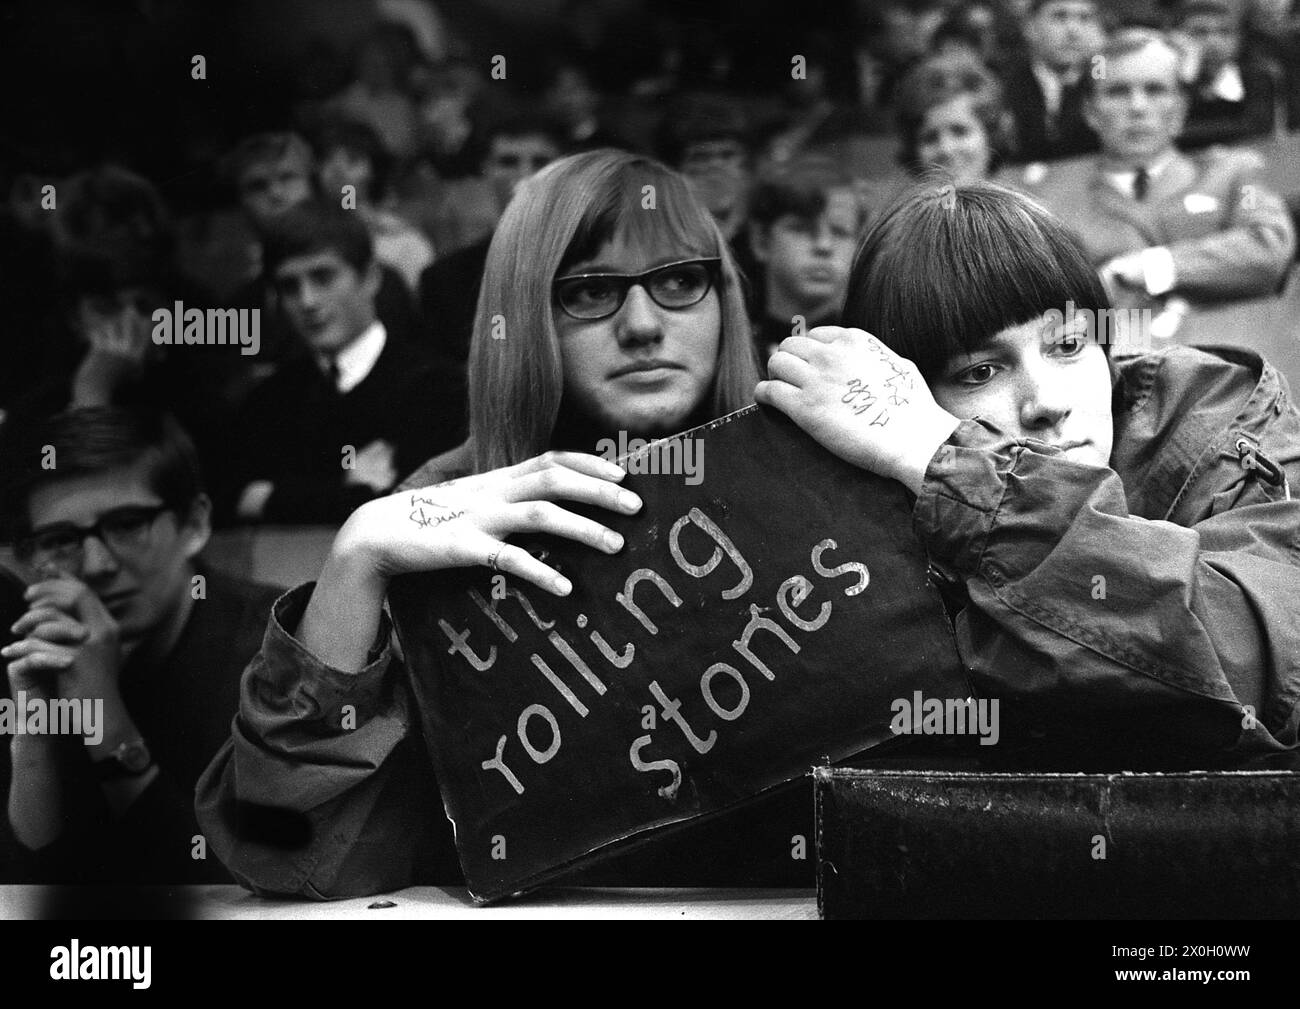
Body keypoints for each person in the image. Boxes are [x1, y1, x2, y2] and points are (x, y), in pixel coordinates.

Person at [196, 149, 763, 897]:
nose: (643, 325)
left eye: (681, 281)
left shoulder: (804, 469)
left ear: (723, 299)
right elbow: (287, 851)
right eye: (590, 290)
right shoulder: (444, 501)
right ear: (524, 315)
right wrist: (357, 555)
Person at [755, 180, 1300, 769]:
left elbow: (1261, 662)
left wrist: (945, 458)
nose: (1046, 401)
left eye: (1067, 344)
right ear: (901, 400)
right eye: (981, 371)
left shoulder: (1217, 422)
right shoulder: (869, 509)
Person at [0, 408, 280, 883]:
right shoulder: (34, 651)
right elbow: (25, 883)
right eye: (60, 540)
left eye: (128, 524)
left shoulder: (276, 652)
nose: (97, 564)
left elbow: (245, 887)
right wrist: (35, 733)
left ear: (194, 523)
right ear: (28, 559)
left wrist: (107, 724)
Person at [1020, 28, 1294, 340]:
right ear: (1091, 112)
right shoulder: (1049, 198)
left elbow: (1268, 248)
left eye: (1155, 90)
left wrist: (1149, 267)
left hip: (1226, 363)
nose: (1137, 107)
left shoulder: (1235, 175)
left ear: (1181, 108)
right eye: (1118, 92)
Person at [225, 201, 466, 526]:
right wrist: (346, 486)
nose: (307, 301)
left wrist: (272, 496)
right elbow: (230, 500)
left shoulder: (437, 386)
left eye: (323, 277)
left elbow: (419, 514)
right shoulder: (269, 399)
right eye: (290, 286)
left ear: (370, 278)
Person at [416, 115, 565, 369]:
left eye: (541, 162)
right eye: (508, 162)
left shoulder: (594, 265)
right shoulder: (443, 281)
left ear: (564, 169)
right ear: (486, 169)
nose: (525, 175)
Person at [746, 156, 866, 364]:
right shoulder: (732, 356)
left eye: (840, 231)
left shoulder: (875, 354)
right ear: (761, 241)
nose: (824, 245)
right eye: (802, 229)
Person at [997, 0, 1104, 162]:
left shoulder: (1101, 78)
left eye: (1084, 18)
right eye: (1060, 17)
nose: (1074, 31)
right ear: (1030, 27)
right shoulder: (1004, 85)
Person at [895, 52, 1013, 184]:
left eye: (959, 132)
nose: (946, 148)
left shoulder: (1026, 203)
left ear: (992, 136)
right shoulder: (899, 204)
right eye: (930, 138)